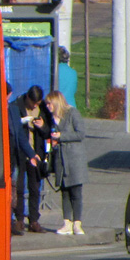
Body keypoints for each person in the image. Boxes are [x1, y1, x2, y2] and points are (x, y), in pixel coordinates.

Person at [11, 85, 52, 233]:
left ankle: (34, 219)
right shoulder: (17, 106)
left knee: (35, 187)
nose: (34, 106)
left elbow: (49, 131)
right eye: (33, 103)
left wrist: (42, 126)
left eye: (37, 103)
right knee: (20, 187)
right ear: (27, 97)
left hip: (36, 152)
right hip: (20, 152)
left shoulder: (42, 110)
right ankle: (20, 219)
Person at [46, 90, 87, 235]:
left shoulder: (72, 113)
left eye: (49, 103)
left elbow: (80, 133)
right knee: (64, 192)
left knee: (76, 191)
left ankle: (77, 223)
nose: (48, 106)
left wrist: (62, 136)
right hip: (61, 159)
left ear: (56, 102)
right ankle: (66, 223)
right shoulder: (51, 118)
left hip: (74, 159)